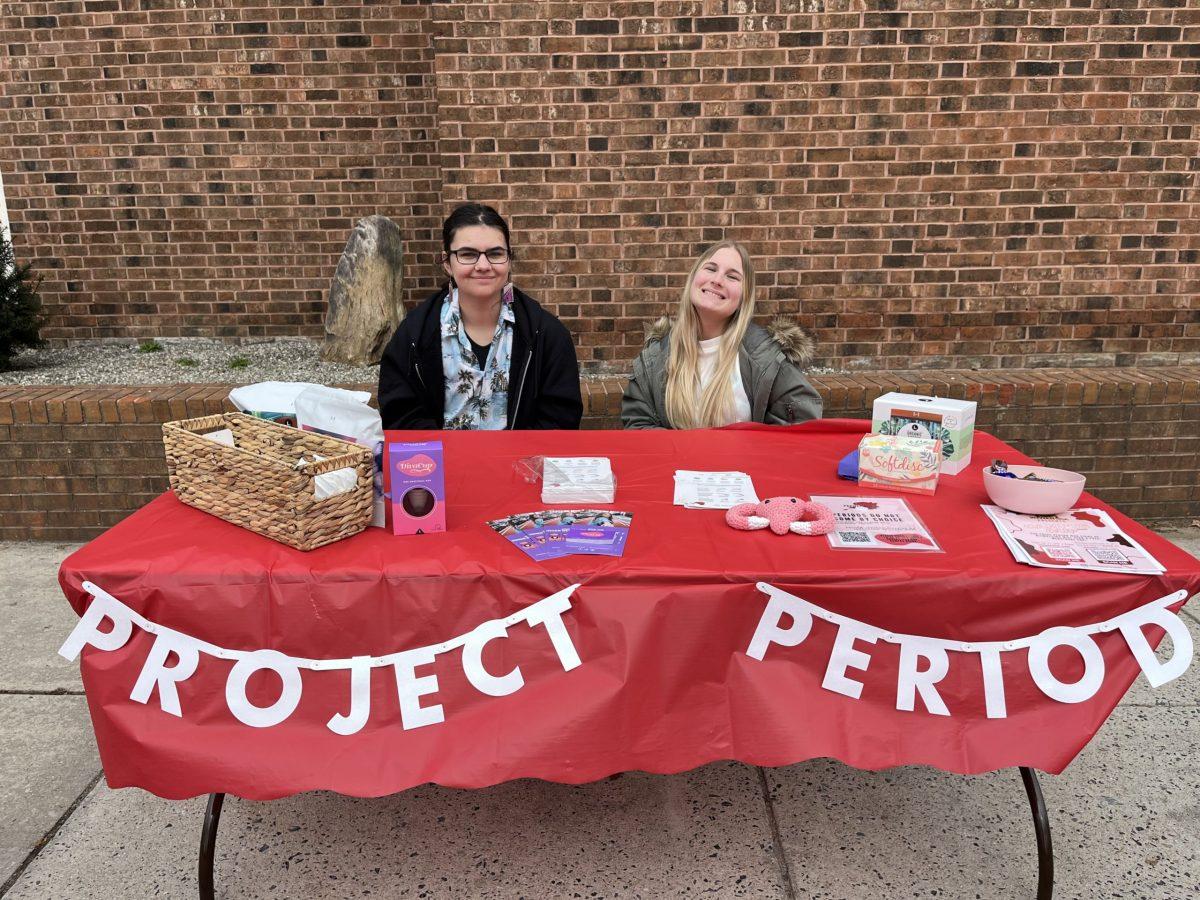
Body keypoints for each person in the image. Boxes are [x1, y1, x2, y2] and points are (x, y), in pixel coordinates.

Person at [379, 204, 583, 430]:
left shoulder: (547, 335)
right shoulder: (413, 335)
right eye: (468, 254)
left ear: (509, 260)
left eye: (495, 254)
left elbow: (560, 420)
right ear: (447, 262)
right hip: (442, 463)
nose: (483, 265)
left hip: (519, 464)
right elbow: (400, 415)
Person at [621, 240, 822, 429]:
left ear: (744, 297)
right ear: (693, 279)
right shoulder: (655, 358)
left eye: (732, 276)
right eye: (710, 269)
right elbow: (639, 427)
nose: (717, 280)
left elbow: (800, 429)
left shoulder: (767, 358)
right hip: (676, 466)